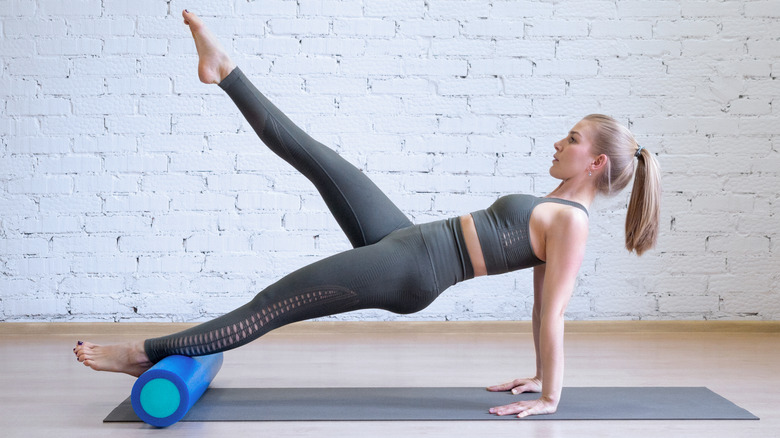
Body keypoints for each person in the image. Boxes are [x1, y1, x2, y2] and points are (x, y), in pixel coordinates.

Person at [74, 10, 661, 419]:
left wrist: (551, 395)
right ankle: (224, 69)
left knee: (268, 306)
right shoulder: (559, 209)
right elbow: (538, 304)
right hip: (406, 240)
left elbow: (554, 313)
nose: (559, 144)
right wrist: (536, 372)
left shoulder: (571, 225)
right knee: (316, 155)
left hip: (412, 271)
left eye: (572, 139)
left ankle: (142, 353)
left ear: (597, 164)